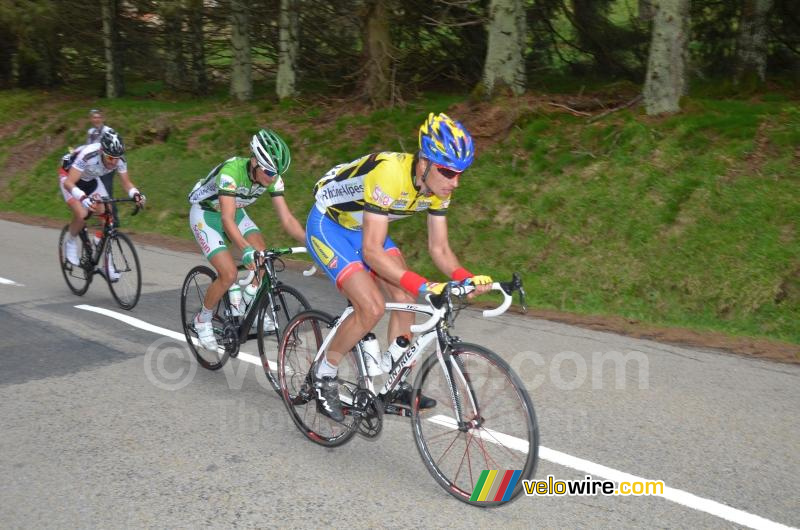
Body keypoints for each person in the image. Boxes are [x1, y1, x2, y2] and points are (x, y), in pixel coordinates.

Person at [305, 112, 493, 422]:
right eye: (448, 171)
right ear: (424, 163)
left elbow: (440, 248)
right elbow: (372, 251)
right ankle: (324, 375)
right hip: (329, 225)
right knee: (372, 307)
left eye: (461, 173)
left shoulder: (436, 189)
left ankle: (393, 384)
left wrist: (466, 278)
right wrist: (426, 285)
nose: (455, 182)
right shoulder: (390, 175)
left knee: (406, 299)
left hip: (365, 226)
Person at [188, 129, 306, 351]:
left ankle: (247, 301)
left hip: (236, 211)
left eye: (277, 173)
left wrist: (311, 243)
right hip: (207, 215)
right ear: (254, 161)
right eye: (269, 171)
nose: (272, 178)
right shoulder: (231, 173)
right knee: (229, 273)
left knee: (264, 256)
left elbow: (287, 219)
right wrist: (245, 249)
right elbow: (226, 218)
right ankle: (202, 319)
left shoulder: (273, 177)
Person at [60, 130, 146, 279]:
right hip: (69, 178)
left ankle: (106, 262)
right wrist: (83, 198)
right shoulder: (88, 155)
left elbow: (126, 183)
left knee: (108, 214)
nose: (113, 162)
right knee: (82, 214)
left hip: (91, 179)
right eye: (110, 157)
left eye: (116, 158)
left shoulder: (119, 159)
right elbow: (69, 183)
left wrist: (136, 194)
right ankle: (71, 241)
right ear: (101, 151)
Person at [86, 109, 119, 225]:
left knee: (107, 192)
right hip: (96, 166)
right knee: (98, 193)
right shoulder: (91, 132)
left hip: (108, 164)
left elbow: (114, 145)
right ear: (91, 119)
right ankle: (103, 218)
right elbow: (88, 147)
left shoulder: (108, 131)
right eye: (94, 117)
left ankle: (114, 220)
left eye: (98, 117)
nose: (96, 120)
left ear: (102, 119)